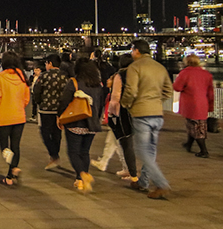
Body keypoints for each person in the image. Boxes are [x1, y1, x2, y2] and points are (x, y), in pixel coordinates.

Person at [121, 39, 174, 199]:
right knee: (150, 150)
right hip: (157, 114)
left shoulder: (135, 67)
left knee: (142, 150)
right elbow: (168, 91)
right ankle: (143, 182)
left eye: (132, 50)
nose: (131, 53)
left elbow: (131, 90)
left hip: (141, 114)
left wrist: (126, 104)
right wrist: (156, 101)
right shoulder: (160, 67)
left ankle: (161, 184)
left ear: (136, 51)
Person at [58, 58, 105, 193]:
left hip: (76, 122)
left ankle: (83, 174)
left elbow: (64, 101)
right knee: (84, 152)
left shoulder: (74, 83)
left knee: (73, 151)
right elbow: (100, 104)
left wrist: (59, 116)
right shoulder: (98, 85)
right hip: (92, 124)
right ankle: (80, 180)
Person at [94, 54, 138, 183]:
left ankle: (132, 172)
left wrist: (111, 115)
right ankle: (127, 168)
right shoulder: (137, 74)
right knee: (121, 142)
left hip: (122, 113)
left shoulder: (120, 75)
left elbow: (115, 98)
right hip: (138, 111)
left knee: (124, 141)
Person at [0, 51, 30, 186]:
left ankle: (13, 168)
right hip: (19, 116)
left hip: (4, 117)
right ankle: (10, 175)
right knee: (15, 146)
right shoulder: (22, 78)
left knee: (4, 148)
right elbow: (26, 99)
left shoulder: (0, 78)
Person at [173, 54, 214, 158]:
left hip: (190, 103)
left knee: (195, 126)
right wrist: (211, 106)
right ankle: (188, 144)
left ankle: (204, 150)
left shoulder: (185, 73)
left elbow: (177, 87)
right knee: (196, 125)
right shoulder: (206, 74)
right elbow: (210, 92)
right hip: (203, 103)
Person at [33, 54, 69, 170]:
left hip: (46, 110)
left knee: (45, 132)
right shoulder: (65, 77)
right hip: (60, 110)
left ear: (50, 64)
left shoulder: (43, 76)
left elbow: (36, 92)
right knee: (57, 133)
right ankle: (55, 156)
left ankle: (54, 155)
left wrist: (39, 102)